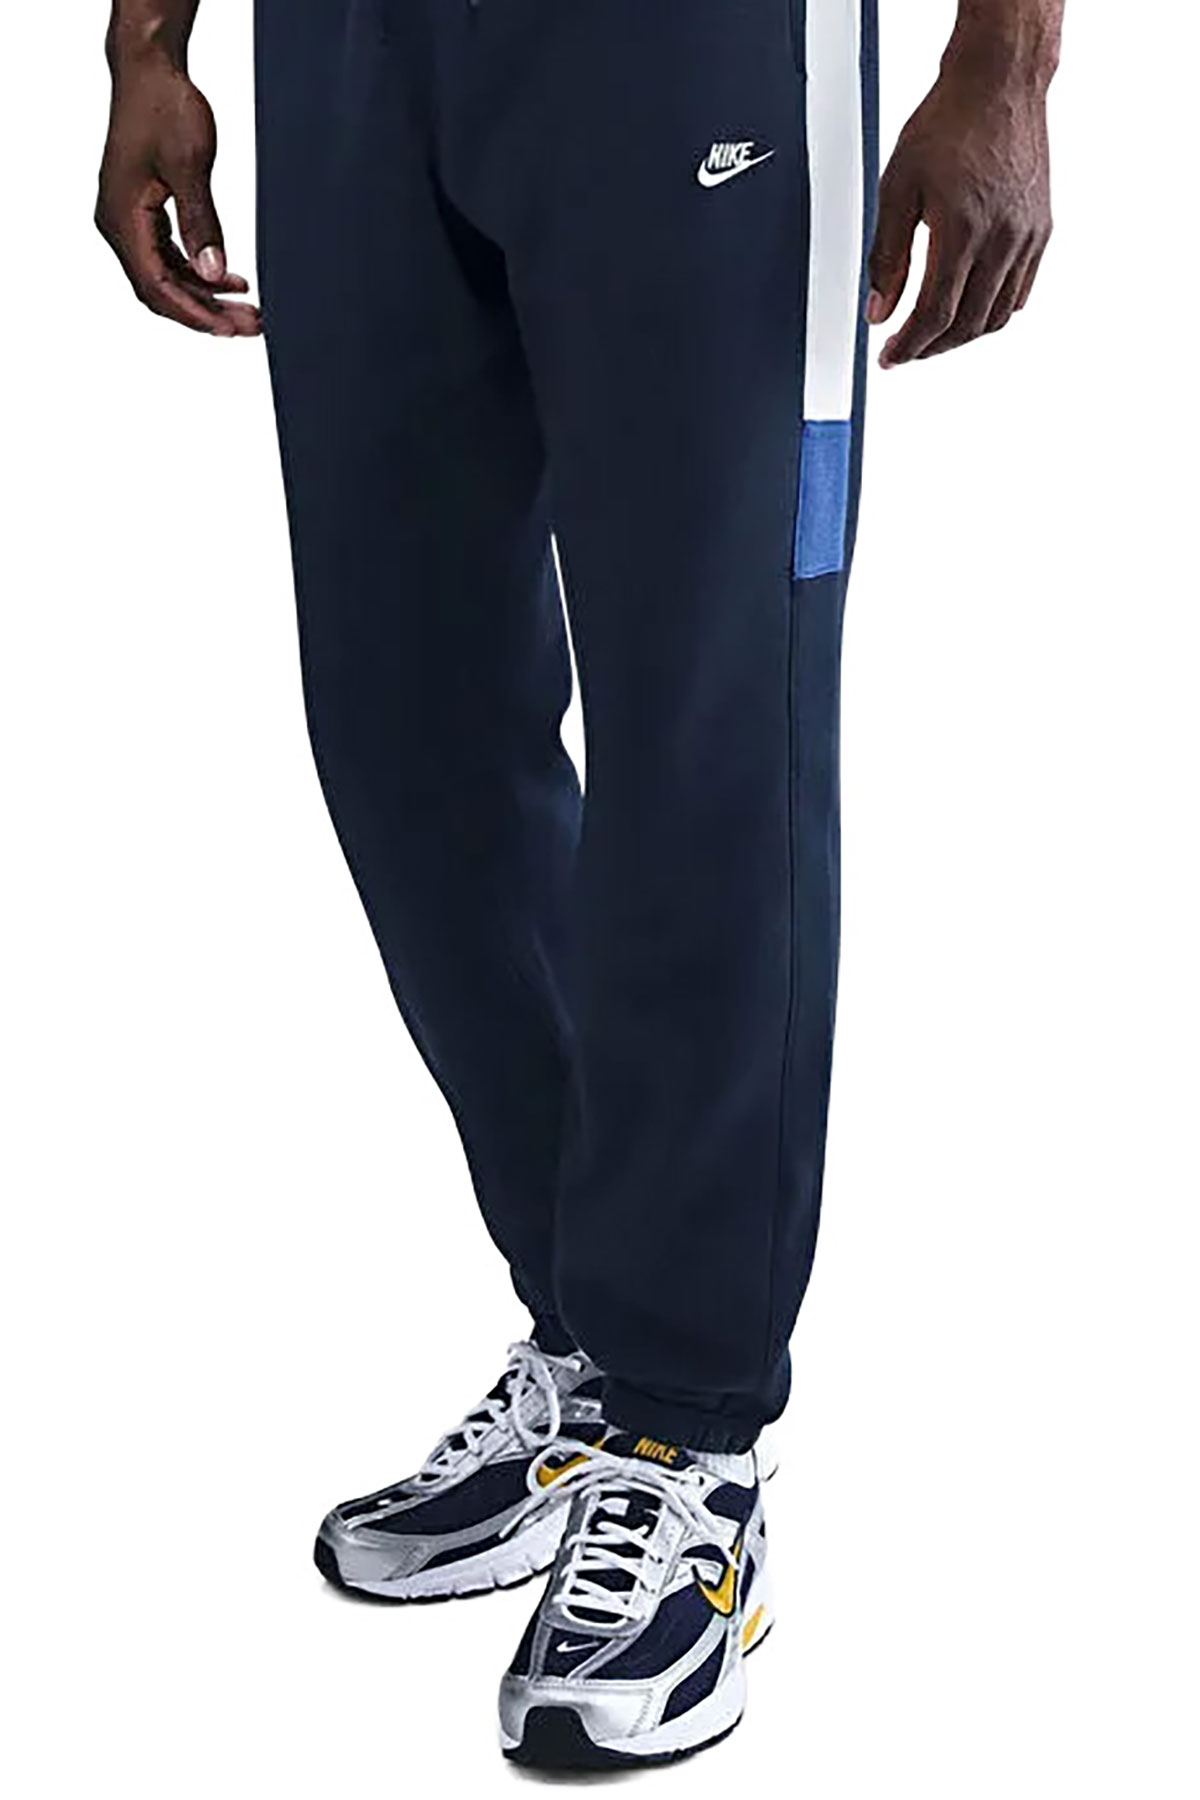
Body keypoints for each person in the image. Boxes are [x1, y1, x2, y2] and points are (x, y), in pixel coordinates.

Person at [97, 0, 1063, 1769]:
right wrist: (144, 47)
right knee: (405, 721)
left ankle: (687, 1426)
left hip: (695, 54)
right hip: (355, 55)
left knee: (711, 724)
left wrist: (1004, 67)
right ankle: (595, 1342)